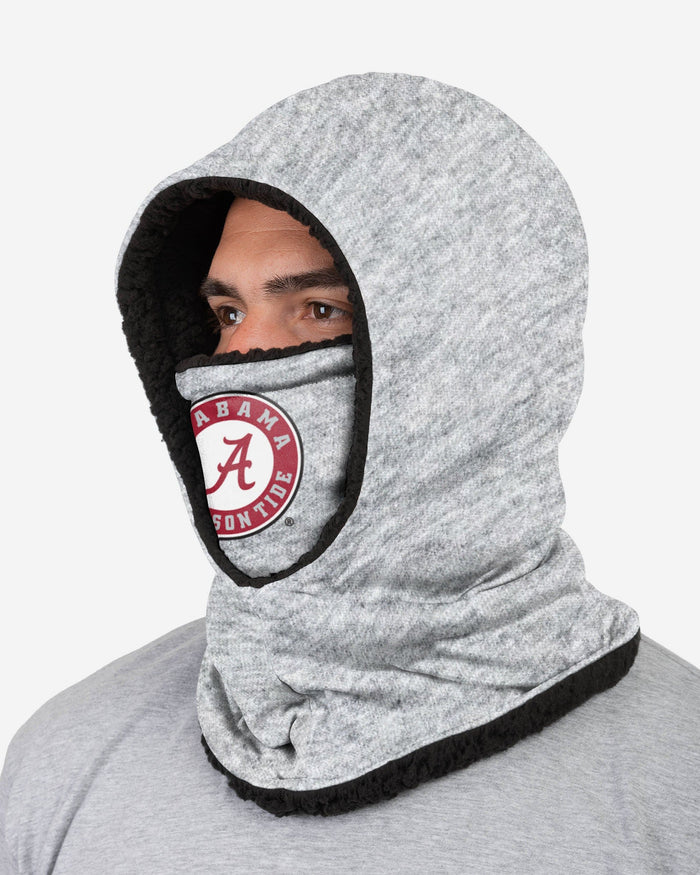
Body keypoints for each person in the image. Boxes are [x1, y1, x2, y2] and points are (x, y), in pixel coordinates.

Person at [1, 71, 698, 874]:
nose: (238, 363)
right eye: (227, 314)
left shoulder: (679, 784)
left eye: (319, 310)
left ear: (468, 356)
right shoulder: (69, 760)